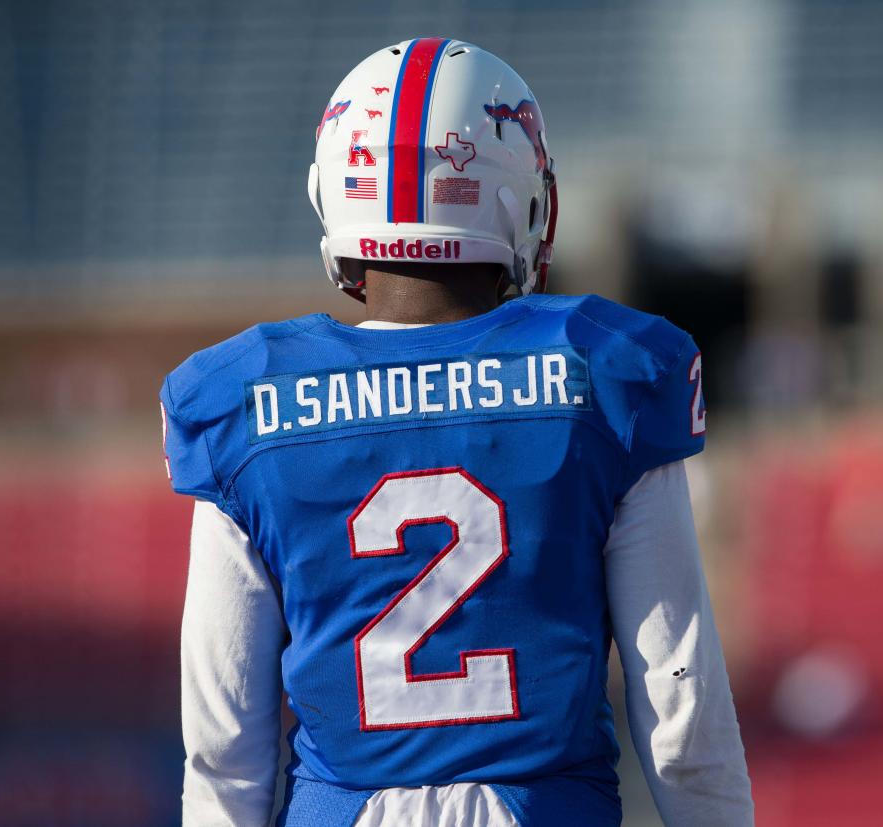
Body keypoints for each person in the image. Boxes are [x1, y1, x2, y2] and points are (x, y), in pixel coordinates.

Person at [162, 37, 754, 827]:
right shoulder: (607, 373)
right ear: (521, 199)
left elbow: (224, 754)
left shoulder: (248, 402)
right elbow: (681, 727)